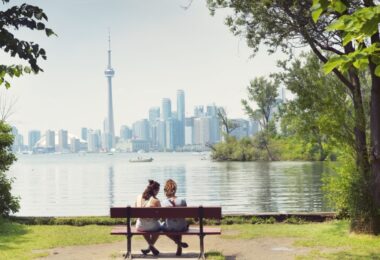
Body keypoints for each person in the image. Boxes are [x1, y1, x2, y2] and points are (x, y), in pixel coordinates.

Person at [161, 179, 189, 256]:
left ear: (165, 190)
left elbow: (163, 218)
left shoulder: (163, 203)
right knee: (179, 222)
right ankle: (179, 247)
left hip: (169, 228)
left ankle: (177, 242)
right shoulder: (182, 201)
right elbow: (185, 216)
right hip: (182, 227)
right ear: (175, 190)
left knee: (161, 227)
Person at [135, 180, 161, 256]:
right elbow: (159, 217)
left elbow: (136, 212)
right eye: (158, 191)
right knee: (159, 227)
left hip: (140, 226)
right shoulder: (156, 200)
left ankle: (150, 246)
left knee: (143, 224)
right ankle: (151, 246)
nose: (158, 193)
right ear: (154, 190)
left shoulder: (138, 197)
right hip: (153, 227)